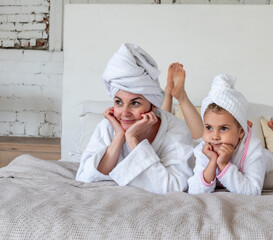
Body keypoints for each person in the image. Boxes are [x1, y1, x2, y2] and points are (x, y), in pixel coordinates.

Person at [75, 43, 194, 194]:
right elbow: (85, 178)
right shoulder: (108, 127)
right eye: (119, 102)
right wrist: (119, 136)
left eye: (135, 103)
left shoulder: (176, 130)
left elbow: (173, 188)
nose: (125, 113)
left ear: (153, 106)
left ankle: (175, 94)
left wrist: (132, 139)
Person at [183, 74, 273, 195]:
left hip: (265, 159)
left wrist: (224, 164)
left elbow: (253, 191)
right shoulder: (204, 150)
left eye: (224, 128)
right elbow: (195, 191)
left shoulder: (252, 150)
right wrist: (212, 163)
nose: (214, 136)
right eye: (209, 128)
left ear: (241, 132)